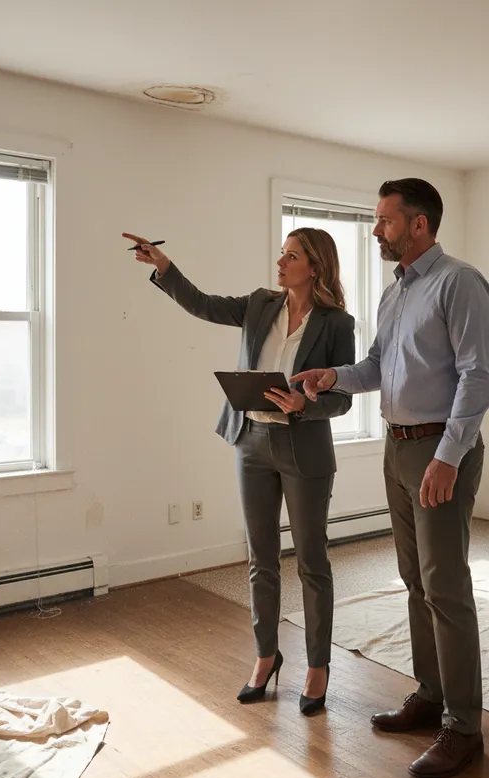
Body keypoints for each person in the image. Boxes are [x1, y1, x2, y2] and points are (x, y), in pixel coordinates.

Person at [291, 178, 489, 778]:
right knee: (414, 580)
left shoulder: (459, 282)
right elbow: (379, 366)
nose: (376, 229)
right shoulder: (394, 293)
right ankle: (431, 696)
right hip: (397, 447)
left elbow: (477, 378)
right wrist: (333, 376)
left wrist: (449, 457)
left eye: (384, 220)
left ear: (418, 225)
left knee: (446, 587)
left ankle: (464, 727)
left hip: (439, 449)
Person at [123, 228, 356, 715]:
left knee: (312, 563)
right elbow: (204, 304)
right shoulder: (258, 305)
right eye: (281, 253)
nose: (280, 262)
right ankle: (266, 657)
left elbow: (342, 398)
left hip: (303, 446)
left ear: (314, 266)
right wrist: (163, 267)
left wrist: (302, 404)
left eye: (290, 256)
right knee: (261, 560)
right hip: (250, 442)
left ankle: (317, 668)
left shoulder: (337, 323)